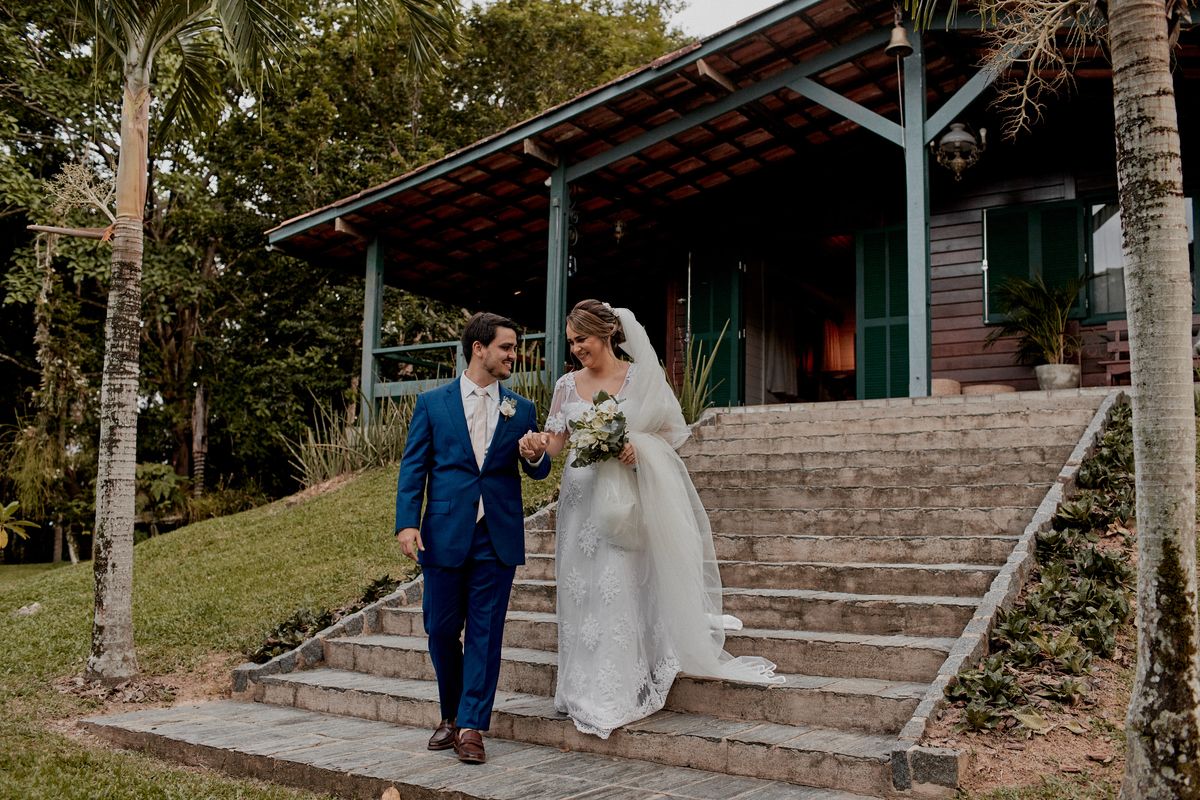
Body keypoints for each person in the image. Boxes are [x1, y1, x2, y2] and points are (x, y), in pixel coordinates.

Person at [520, 300, 782, 740]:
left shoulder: (640, 377)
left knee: (618, 584)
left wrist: (638, 449)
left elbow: (668, 435)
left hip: (625, 499)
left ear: (605, 332)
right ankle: (581, 686)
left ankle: (621, 686)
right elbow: (556, 442)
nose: (576, 349)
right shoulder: (567, 385)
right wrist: (535, 447)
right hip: (580, 502)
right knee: (582, 588)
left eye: (581, 339)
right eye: (571, 343)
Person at [395, 312, 552, 764]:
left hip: (496, 536)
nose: (513, 355)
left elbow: (536, 468)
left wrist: (536, 456)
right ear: (479, 348)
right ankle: (451, 712)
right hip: (443, 532)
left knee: (485, 633)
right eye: (506, 347)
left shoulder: (520, 408)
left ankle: (470, 727)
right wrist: (408, 522)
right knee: (440, 629)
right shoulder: (432, 403)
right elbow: (414, 467)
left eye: (514, 348)